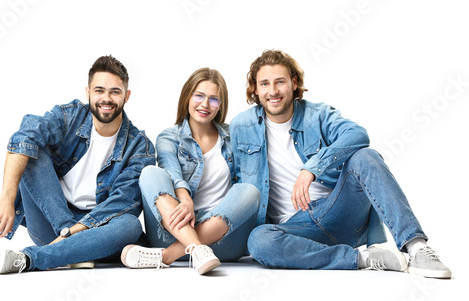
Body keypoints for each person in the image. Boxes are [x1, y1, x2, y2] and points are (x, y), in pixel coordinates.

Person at [229, 49, 451, 278]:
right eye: (264, 84)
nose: (273, 91)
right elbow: (235, 181)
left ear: (294, 83)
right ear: (255, 89)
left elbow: (357, 134)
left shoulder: (317, 115)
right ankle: (364, 259)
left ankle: (417, 248)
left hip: (338, 210)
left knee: (365, 156)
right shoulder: (241, 126)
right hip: (296, 228)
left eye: (280, 82)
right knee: (259, 240)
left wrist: (311, 169)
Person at [0, 55, 156, 274]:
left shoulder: (139, 147)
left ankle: (32, 258)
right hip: (51, 223)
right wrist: (7, 197)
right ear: (87, 92)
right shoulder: (69, 116)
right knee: (32, 150)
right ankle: (70, 246)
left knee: (130, 225)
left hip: (98, 233)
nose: (106, 98)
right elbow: (24, 137)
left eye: (115, 92)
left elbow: (121, 202)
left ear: (127, 96)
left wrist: (75, 233)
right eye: (99, 90)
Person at [121, 68, 260, 275]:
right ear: (188, 97)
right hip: (175, 230)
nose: (205, 105)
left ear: (220, 105)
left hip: (222, 237)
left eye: (214, 99)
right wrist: (185, 200)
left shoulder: (233, 136)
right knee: (151, 173)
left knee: (250, 191)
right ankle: (196, 247)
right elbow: (171, 171)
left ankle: (168, 256)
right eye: (199, 96)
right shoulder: (169, 137)